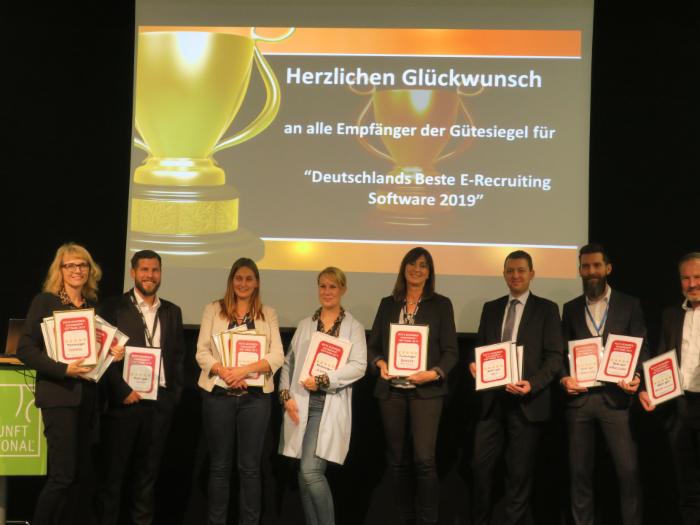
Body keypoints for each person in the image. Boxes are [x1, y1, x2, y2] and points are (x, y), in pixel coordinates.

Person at [17, 242, 123, 525]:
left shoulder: (92, 308)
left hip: (88, 400)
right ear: (60, 270)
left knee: (79, 477)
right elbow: (25, 349)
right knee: (62, 477)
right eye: (71, 265)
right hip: (59, 397)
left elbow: (94, 358)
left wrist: (112, 354)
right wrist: (64, 369)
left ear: (90, 270)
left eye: (82, 265)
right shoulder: (45, 302)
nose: (77, 270)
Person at [469, 250, 563, 525]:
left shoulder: (547, 309)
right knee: (480, 468)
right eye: (510, 270)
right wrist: (475, 365)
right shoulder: (491, 308)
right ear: (504, 274)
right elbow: (479, 348)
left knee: (519, 475)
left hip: (527, 402)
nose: (515, 275)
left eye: (521, 270)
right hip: (492, 401)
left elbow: (555, 357)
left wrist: (532, 384)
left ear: (532, 274)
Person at [367, 247, 458, 525]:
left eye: (423, 265)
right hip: (391, 392)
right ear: (403, 268)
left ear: (429, 273)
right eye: (412, 263)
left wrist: (433, 373)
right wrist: (380, 363)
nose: (416, 269)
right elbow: (373, 347)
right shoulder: (388, 304)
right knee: (397, 461)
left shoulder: (441, 304)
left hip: (426, 393)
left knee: (424, 460)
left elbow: (451, 352)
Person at [96, 249, 185, 525]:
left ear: (161, 273)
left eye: (155, 270)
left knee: (147, 480)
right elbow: (102, 355)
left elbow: (178, 357)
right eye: (144, 270)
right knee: (112, 479)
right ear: (133, 273)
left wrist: (172, 397)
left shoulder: (172, 311)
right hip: (124, 404)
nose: (150, 275)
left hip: (159, 406)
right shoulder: (112, 308)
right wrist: (122, 392)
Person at [560, 243, 646, 525]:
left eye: (596, 265)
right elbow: (560, 353)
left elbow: (642, 347)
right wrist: (564, 377)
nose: (591, 271)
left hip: (616, 400)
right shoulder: (570, 308)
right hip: (580, 401)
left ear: (608, 268)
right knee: (579, 474)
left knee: (628, 471)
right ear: (580, 270)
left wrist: (636, 376)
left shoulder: (630, 304)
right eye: (585, 266)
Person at [196, 257, 284, 525]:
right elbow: (201, 352)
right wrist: (225, 372)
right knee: (219, 467)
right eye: (238, 278)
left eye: (249, 278)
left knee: (250, 468)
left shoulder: (268, 314)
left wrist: (242, 371)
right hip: (218, 396)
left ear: (257, 282)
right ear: (231, 281)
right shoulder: (213, 309)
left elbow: (277, 356)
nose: (243, 283)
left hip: (254, 400)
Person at [279, 267, 367, 525]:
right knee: (303, 475)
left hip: (327, 404)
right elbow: (288, 363)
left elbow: (359, 366)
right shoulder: (306, 325)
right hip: (300, 403)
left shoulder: (353, 327)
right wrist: (285, 396)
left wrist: (323, 379)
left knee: (310, 471)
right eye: (323, 286)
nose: (327, 291)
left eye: (333, 286)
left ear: (343, 289)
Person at [639, 252, 700, 524]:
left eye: (697, 277)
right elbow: (662, 360)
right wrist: (650, 390)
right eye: (686, 278)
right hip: (681, 410)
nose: (692, 283)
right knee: (687, 488)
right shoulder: (671, 315)